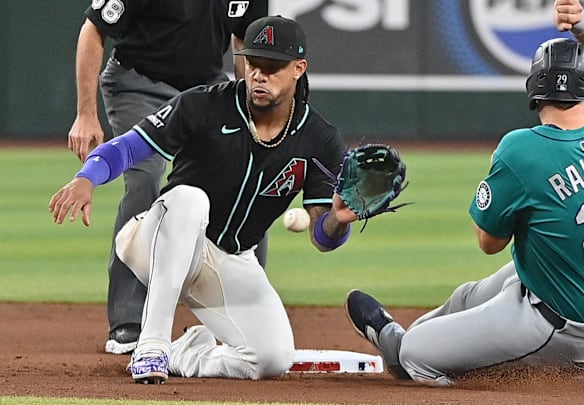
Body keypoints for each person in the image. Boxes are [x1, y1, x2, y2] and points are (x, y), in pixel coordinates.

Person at [51, 16, 359, 384]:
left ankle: (187, 353)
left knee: (270, 359)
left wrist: (339, 220)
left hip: (228, 260)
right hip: (158, 240)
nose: (258, 75)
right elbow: (127, 148)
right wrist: (87, 177)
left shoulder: (319, 139)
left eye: (272, 67)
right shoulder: (205, 104)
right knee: (190, 199)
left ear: (298, 69)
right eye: (252, 63)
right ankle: (152, 345)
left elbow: (323, 237)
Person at [344, 0, 584, 386]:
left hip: (562, 330)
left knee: (414, 355)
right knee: (471, 295)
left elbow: (489, 242)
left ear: (534, 87)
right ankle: (423, 337)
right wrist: (581, 21)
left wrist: (503, 179)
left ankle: (416, 352)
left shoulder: (521, 150)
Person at [67, 0, 269, 355]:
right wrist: (86, 114)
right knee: (145, 177)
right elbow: (93, 30)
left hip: (205, 89)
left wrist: (249, 111)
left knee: (242, 177)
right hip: (138, 82)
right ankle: (128, 322)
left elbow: (243, 44)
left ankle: (247, 317)